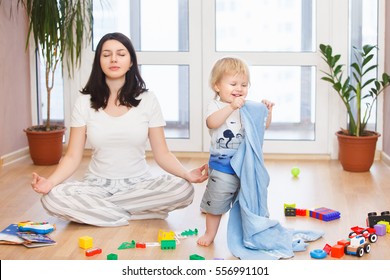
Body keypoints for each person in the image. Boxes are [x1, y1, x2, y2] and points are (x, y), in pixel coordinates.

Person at [30, 32, 208, 227]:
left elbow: (163, 153)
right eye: (106, 55)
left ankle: (102, 214)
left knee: (183, 190)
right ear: (99, 61)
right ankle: (139, 213)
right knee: (51, 197)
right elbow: (72, 156)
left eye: (121, 54)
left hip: (139, 184)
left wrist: (186, 174)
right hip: (96, 186)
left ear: (131, 61)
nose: (113, 59)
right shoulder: (84, 102)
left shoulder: (148, 100)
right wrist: (50, 183)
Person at [197, 57, 274, 246]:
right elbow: (211, 123)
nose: (239, 89)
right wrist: (231, 107)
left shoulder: (246, 108)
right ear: (217, 86)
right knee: (216, 204)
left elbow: (261, 128)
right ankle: (210, 234)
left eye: (244, 85)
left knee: (246, 203)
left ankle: (248, 235)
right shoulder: (215, 106)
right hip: (223, 168)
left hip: (245, 168)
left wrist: (267, 112)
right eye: (233, 84)